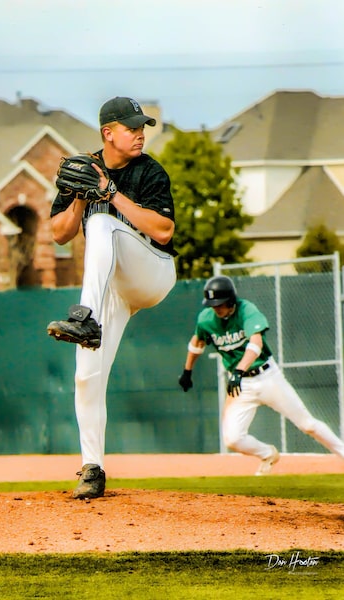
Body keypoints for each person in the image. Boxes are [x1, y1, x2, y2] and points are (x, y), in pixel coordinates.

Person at [47, 96, 177, 498]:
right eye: (132, 128)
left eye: (142, 128)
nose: (140, 134)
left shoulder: (150, 171)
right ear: (108, 133)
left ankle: (84, 317)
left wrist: (110, 192)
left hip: (151, 271)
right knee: (85, 375)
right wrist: (83, 195)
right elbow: (59, 233)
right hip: (110, 288)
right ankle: (93, 468)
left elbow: (164, 231)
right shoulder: (84, 169)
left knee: (103, 223)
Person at [178, 275, 344, 475]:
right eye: (212, 304)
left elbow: (255, 342)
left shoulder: (247, 310)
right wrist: (187, 371)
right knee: (232, 438)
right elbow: (197, 343)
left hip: (267, 377)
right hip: (241, 385)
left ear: (230, 300)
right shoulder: (206, 319)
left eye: (219, 304)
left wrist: (239, 370)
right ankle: (267, 454)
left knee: (307, 424)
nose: (216, 308)